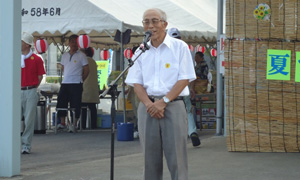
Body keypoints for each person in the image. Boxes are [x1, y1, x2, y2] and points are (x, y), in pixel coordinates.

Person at [125, 8, 196, 180]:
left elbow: (184, 79)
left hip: (173, 106)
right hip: (148, 108)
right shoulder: (141, 51)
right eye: (146, 22)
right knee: (150, 160)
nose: (150, 25)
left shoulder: (179, 47)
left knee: (177, 159)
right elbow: (137, 83)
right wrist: (150, 105)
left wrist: (163, 102)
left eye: (155, 21)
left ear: (165, 24)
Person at [167, 27, 201, 147]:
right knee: (187, 111)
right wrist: (191, 88)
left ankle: (177, 137)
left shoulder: (165, 52)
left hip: (170, 89)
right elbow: (190, 74)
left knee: (170, 112)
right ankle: (192, 131)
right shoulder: (186, 51)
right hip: (184, 87)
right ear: (180, 38)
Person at [56, 34, 89, 133]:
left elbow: (87, 70)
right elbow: (63, 68)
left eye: (76, 42)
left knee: (75, 104)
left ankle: (74, 124)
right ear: (69, 43)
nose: (74, 44)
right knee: (61, 101)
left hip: (76, 83)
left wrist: (81, 79)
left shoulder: (82, 55)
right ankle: (62, 123)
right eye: (72, 42)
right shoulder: (64, 55)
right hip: (65, 82)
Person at [21, 32, 46, 154]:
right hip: (17, 91)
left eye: (21, 41)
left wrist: (33, 87)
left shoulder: (36, 59)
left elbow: (40, 76)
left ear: (27, 44)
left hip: (30, 91)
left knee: (29, 120)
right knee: (13, 119)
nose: (19, 43)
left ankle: (26, 144)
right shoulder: (16, 57)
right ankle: (14, 143)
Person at [81, 47, 100, 129]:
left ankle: (82, 125)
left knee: (83, 107)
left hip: (85, 86)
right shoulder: (93, 61)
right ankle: (94, 125)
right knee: (92, 107)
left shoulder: (84, 61)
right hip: (93, 87)